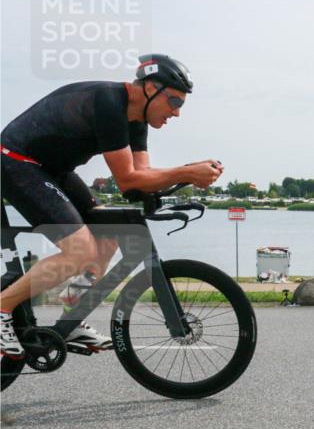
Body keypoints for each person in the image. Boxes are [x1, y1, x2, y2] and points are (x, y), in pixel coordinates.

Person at [0, 54, 224, 359]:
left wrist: (182, 176)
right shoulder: (109, 102)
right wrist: (187, 171)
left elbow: (139, 181)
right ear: (149, 88)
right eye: (174, 102)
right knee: (80, 252)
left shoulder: (137, 121)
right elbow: (128, 177)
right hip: (17, 161)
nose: (176, 113)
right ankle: (2, 307)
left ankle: (71, 317)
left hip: (54, 170)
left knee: (106, 238)